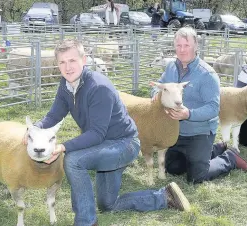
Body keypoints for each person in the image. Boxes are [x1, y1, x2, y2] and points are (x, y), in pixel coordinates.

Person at [23, 39, 191, 226]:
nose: (67, 67)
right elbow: (54, 114)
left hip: (123, 144)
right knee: (108, 204)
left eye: (72, 61)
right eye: (62, 62)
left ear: (83, 59)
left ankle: (86, 222)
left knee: (72, 160)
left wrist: (62, 147)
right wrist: (34, 129)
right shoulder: (66, 84)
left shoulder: (98, 87)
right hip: (103, 144)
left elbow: (96, 134)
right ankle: (164, 197)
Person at [151, 27, 247, 184]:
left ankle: (229, 158)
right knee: (172, 168)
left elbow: (213, 108)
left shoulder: (207, 74)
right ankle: (216, 149)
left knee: (196, 177)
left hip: (200, 131)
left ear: (196, 46)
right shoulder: (171, 67)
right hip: (177, 130)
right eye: (178, 45)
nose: (182, 50)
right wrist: (155, 95)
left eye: (187, 45)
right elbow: (159, 87)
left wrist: (188, 114)